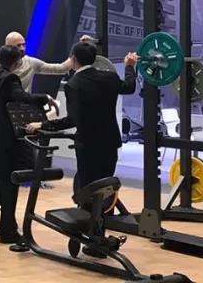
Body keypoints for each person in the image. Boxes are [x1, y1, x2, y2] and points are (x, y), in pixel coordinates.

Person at [27, 42, 139, 196]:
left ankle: (87, 212)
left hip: (88, 145)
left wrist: (42, 124)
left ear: (73, 59)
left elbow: (72, 120)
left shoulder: (74, 84)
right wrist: (129, 67)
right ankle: (105, 212)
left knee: (88, 188)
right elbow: (129, 87)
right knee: (106, 187)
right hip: (109, 142)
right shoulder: (110, 77)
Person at [0, 44, 56, 243]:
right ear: (17, 62)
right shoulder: (10, 78)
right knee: (8, 184)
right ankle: (8, 231)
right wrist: (45, 98)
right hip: (2, 139)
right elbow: (22, 96)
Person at [0, 31, 93, 91]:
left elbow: (60, 68)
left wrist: (79, 47)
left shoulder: (31, 62)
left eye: (23, 44)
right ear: (8, 47)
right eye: (18, 45)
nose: (22, 48)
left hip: (23, 108)